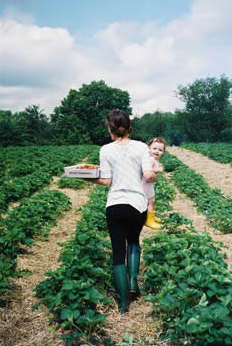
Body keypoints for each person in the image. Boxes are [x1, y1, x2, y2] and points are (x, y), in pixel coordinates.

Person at [88, 109, 157, 314]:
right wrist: (154, 173)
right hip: (137, 205)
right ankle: (134, 284)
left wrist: (85, 177)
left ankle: (123, 304)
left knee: (118, 252)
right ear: (130, 128)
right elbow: (148, 175)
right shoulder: (140, 147)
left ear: (110, 130)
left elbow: (106, 180)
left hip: (115, 205)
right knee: (133, 241)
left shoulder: (105, 150)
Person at [143, 137, 166, 230]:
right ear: (149, 148)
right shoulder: (151, 159)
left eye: (160, 150)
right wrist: (157, 170)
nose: (157, 151)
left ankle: (151, 216)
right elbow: (148, 171)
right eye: (154, 149)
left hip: (149, 184)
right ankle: (149, 220)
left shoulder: (155, 160)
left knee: (151, 201)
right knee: (150, 201)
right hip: (145, 184)